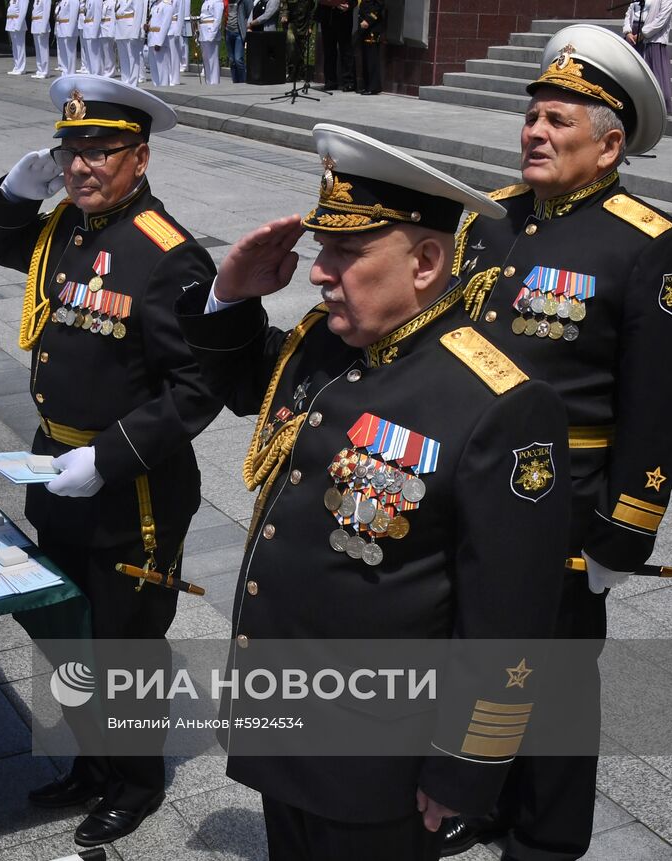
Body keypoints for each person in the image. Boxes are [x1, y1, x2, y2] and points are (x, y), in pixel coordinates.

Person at [175, 123, 571, 861]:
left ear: (425, 262)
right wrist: (229, 294)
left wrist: (466, 766)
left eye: (346, 253)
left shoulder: (497, 404)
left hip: (379, 759)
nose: (319, 273)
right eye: (322, 248)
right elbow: (247, 385)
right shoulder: (328, 344)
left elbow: (509, 617)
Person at [439, 25, 672, 861]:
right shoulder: (492, 217)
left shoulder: (649, 244)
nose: (535, 133)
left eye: (558, 121)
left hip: (564, 503)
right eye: (533, 117)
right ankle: (481, 797)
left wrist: (625, 527)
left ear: (609, 144)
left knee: (550, 680)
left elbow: (662, 403)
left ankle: (547, 838)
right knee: (480, 656)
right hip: (469, 489)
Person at [0, 76, 221, 848]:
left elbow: (197, 387)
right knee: (68, 631)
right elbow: (0, 243)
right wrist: (15, 193)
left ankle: (135, 782)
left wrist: (109, 457)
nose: (81, 165)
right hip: (56, 466)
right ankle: (92, 761)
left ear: (139, 157)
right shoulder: (68, 229)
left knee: (124, 643)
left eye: (100, 150)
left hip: (131, 488)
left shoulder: (168, 255)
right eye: (70, 150)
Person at [623, 0, 672, 114]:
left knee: (653, 76)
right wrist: (627, 31)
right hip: (633, 34)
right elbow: (630, 11)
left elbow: (661, 19)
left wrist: (643, 34)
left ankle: (654, 110)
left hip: (652, 36)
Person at [315, 0, 353, 91]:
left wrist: (349, 5)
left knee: (346, 50)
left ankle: (348, 82)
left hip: (343, 17)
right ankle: (330, 81)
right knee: (329, 51)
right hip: (327, 18)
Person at [113, 0, 145, 86]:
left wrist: (135, 33)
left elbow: (138, 14)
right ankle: (125, 81)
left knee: (133, 58)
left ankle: (133, 82)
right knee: (123, 58)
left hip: (130, 29)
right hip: (120, 28)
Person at [356, 0, 384, 94]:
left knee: (371, 58)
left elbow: (379, 7)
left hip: (372, 26)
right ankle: (367, 86)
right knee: (366, 58)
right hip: (364, 26)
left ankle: (373, 87)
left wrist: (368, 20)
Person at [145, 0, 170, 86]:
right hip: (151, 38)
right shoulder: (154, 5)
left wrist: (159, 42)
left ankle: (164, 87)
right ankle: (156, 86)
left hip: (160, 40)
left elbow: (165, 25)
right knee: (154, 68)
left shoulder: (167, 5)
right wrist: (147, 27)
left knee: (162, 69)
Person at [196, 0, 221, 83]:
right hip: (203, 32)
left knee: (212, 60)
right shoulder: (205, 2)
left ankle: (214, 82)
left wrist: (212, 34)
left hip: (210, 31)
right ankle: (208, 81)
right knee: (206, 59)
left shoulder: (217, 1)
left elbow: (217, 19)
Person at [54, 0, 78, 76]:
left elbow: (73, 16)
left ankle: (71, 73)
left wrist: (70, 31)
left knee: (70, 54)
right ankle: (65, 72)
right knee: (63, 53)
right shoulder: (62, 1)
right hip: (61, 28)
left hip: (68, 29)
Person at [5, 0, 29, 73]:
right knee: (14, 47)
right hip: (11, 23)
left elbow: (23, 11)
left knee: (20, 47)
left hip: (18, 24)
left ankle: (21, 68)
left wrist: (19, 25)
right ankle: (16, 66)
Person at [29, 0, 50, 78]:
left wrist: (44, 27)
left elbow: (46, 12)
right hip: (35, 24)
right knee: (38, 50)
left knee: (43, 50)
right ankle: (40, 70)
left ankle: (45, 71)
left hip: (41, 25)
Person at [79, 0, 100, 75]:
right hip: (87, 28)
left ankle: (96, 73)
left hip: (92, 28)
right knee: (88, 54)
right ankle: (91, 72)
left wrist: (95, 32)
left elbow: (97, 16)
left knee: (94, 55)